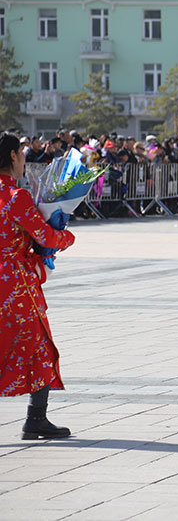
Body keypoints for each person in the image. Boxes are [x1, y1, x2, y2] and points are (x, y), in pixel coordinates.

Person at [0, 132, 76, 439]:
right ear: (14, 156)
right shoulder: (17, 198)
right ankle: (35, 417)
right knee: (38, 344)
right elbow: (45, 236)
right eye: (22, 154)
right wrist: (66, 237)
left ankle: (36, 419)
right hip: (14, 284)